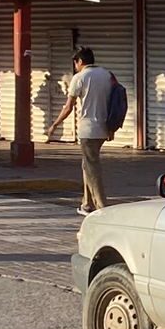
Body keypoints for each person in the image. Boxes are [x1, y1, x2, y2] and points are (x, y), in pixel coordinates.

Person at [47, 46, 112, 215]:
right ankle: (87, 203)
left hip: (89, 129)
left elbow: (69, 107)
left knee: (92, 167)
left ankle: (101, 206)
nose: (75, 66)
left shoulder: (80, 77)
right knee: (87, 165)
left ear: (80, 61)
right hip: (104, 128)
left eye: (75, 62)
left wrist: (55, 124)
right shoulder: (107, 75)